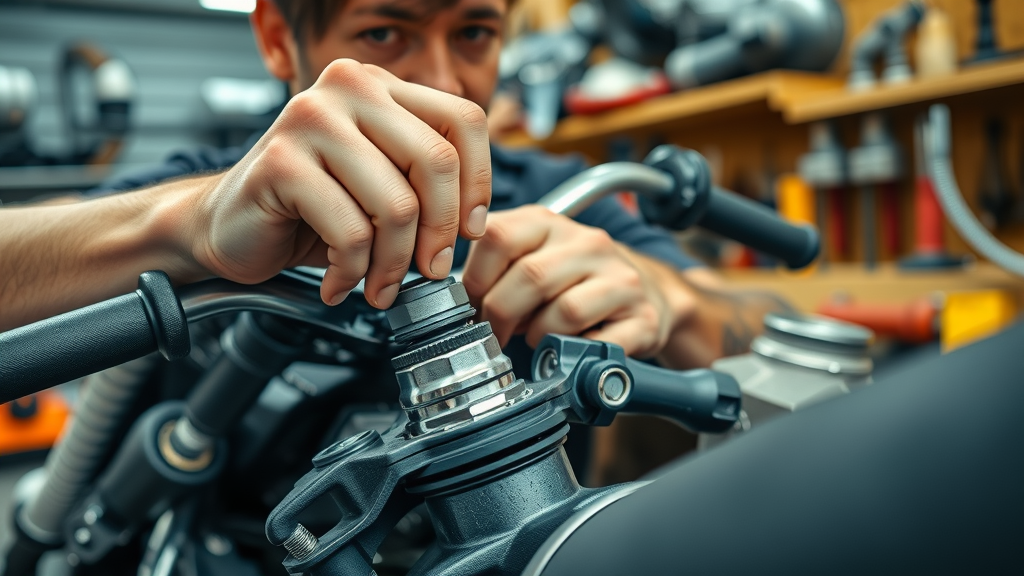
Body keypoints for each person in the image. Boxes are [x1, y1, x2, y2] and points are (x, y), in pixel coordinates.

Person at [0, 0, 789, 371]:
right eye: (386, 32)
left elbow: (778, 328)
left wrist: (666, 297)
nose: (444, 83)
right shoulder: (218, 199)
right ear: (279, 37)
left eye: (474, 33)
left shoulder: (562, 197)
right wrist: (188, 226)